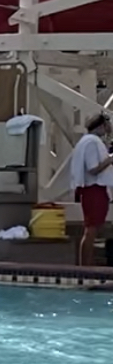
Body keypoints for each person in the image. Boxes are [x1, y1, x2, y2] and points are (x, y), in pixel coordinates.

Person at [69, 110, 113, 266]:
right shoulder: (91, 142)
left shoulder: (87, 141)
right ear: (101, 126)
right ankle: (85, 266)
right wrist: (110, 160)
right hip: (93, 189)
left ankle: (86, 265)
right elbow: (93, 168)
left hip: (93, 190)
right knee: (91, 229)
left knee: (91, 228)